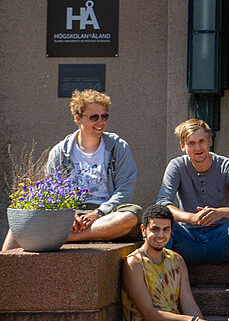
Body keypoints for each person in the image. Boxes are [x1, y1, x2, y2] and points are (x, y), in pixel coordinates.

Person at [3, 89, 142, 251]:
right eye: (94, 117)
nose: (101, 122)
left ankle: (67, 237)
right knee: (20, 221)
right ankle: (4, 269)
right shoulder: (60, 152)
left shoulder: (118, 147)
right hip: (70, 214)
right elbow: (53, 191)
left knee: (131, 215)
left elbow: (125, 189)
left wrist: (98, 213)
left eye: (104, 116)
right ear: (78, 118)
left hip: (106, 214)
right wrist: (69, 215)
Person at [157, 119, 229, 321]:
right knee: (164, 224)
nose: (198, 147)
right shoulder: (176, 166)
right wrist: (190, 217)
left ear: (210, 141)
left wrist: (221, 213)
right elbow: (163, 204)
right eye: (191, 143)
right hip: (189, 240)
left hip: (221, 240)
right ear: (183, 146)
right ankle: (161, 298)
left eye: (201, 141)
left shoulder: (228, 166)